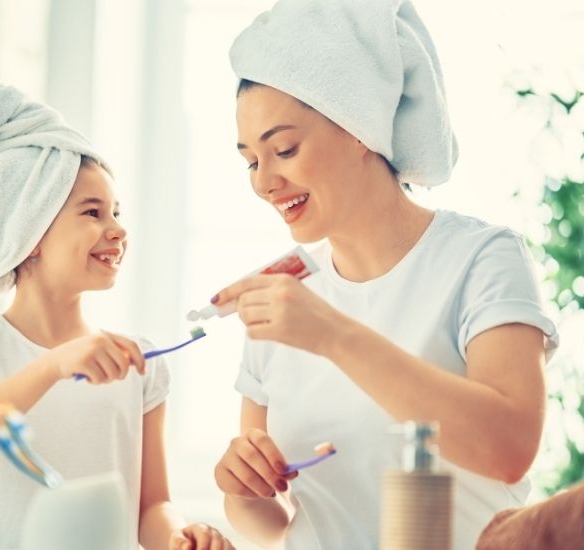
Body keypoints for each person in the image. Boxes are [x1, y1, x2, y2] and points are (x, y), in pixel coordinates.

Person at [210, 1, 559, 548]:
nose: (264, 182)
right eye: (252, 162)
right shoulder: (279, 294)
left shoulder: (482, 258)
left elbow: (508, 448)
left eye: (283, 149)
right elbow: (273, 521)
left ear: (359, 127)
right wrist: (243, 490)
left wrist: (332, 334)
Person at [0, 80, 233, 550]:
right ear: (30, 234)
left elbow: (150, 507)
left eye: (116, 211)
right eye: (93, 212)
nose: (118, 229)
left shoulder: (139, 363)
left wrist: (180, 537)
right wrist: (53, 365)